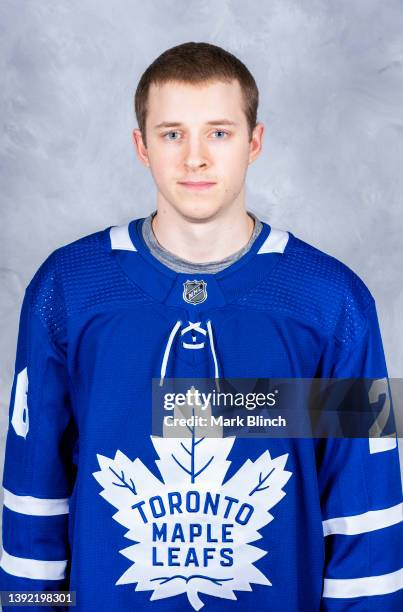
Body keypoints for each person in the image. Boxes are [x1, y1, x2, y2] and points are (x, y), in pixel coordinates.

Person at [0, 41, 402, 611]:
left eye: (218, 132)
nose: (195, 158)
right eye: (171, 134)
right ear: (140, 146)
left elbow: (364, 514)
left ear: (253, 142)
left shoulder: (332, 301)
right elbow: (35, 496)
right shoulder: (68, 289)